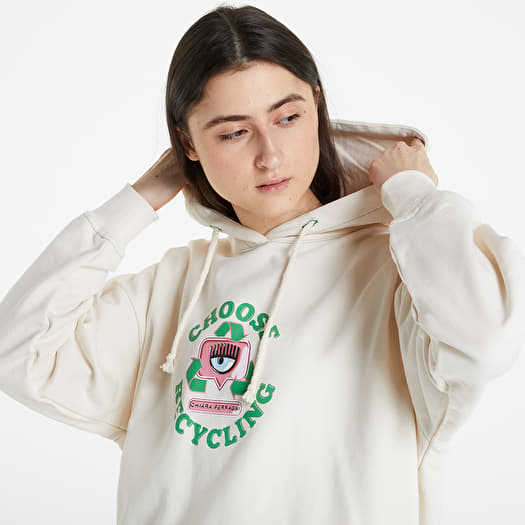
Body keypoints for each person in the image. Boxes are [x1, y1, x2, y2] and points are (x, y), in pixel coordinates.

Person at [0, 4, 524, 525]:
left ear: (317, 107)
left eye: (288, 117)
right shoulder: (170, 288)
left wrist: (413, 196)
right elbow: (18, 352)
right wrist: (139, 199)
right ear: (188, 143)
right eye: (233, 132)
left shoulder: (402, 273)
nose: (270, 155)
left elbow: (486, 336)